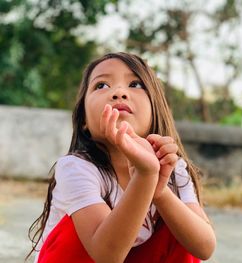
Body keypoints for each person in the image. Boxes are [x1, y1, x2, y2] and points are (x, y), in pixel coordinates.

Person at [27, 52, 216, 263]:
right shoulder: (76, 167)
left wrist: (160, 192)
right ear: (84, 122)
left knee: (179, 225)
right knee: (79, 228)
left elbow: (204, 248)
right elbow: (106, 256)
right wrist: (145, 175)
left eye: (135, 84)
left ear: (156, 110)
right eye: (101, 85)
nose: (118, 92)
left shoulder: (173, 166)